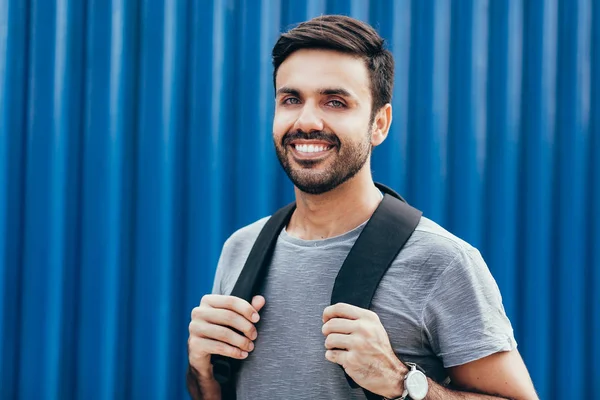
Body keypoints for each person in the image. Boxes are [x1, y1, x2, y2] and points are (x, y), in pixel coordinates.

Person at [187, 15, 538, 400]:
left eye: (335, 101)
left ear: (379, 124)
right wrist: (202, 373)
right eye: (291, 99)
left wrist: (402, 381)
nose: (306, 120)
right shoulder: (242, 248)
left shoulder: (442, 261)